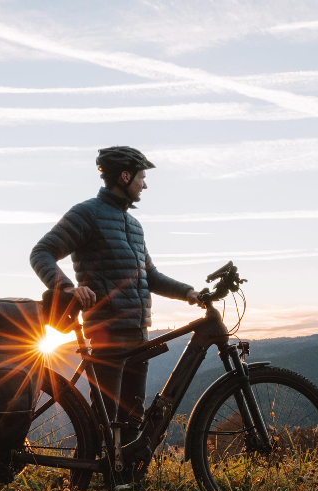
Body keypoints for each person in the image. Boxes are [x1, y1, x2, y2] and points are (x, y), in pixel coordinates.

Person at [30, 146, 201, 446]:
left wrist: (188, 292)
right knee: (108, 423)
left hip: (139, 334)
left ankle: (127, 480)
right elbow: (41, 252)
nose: (145, 184)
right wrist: (67, 287)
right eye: (141, 177)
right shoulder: (87, 214)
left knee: (133, 417)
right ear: (125, 176)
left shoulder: (135, 227)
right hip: (107, 332)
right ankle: (100, 477)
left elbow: (150, 277)